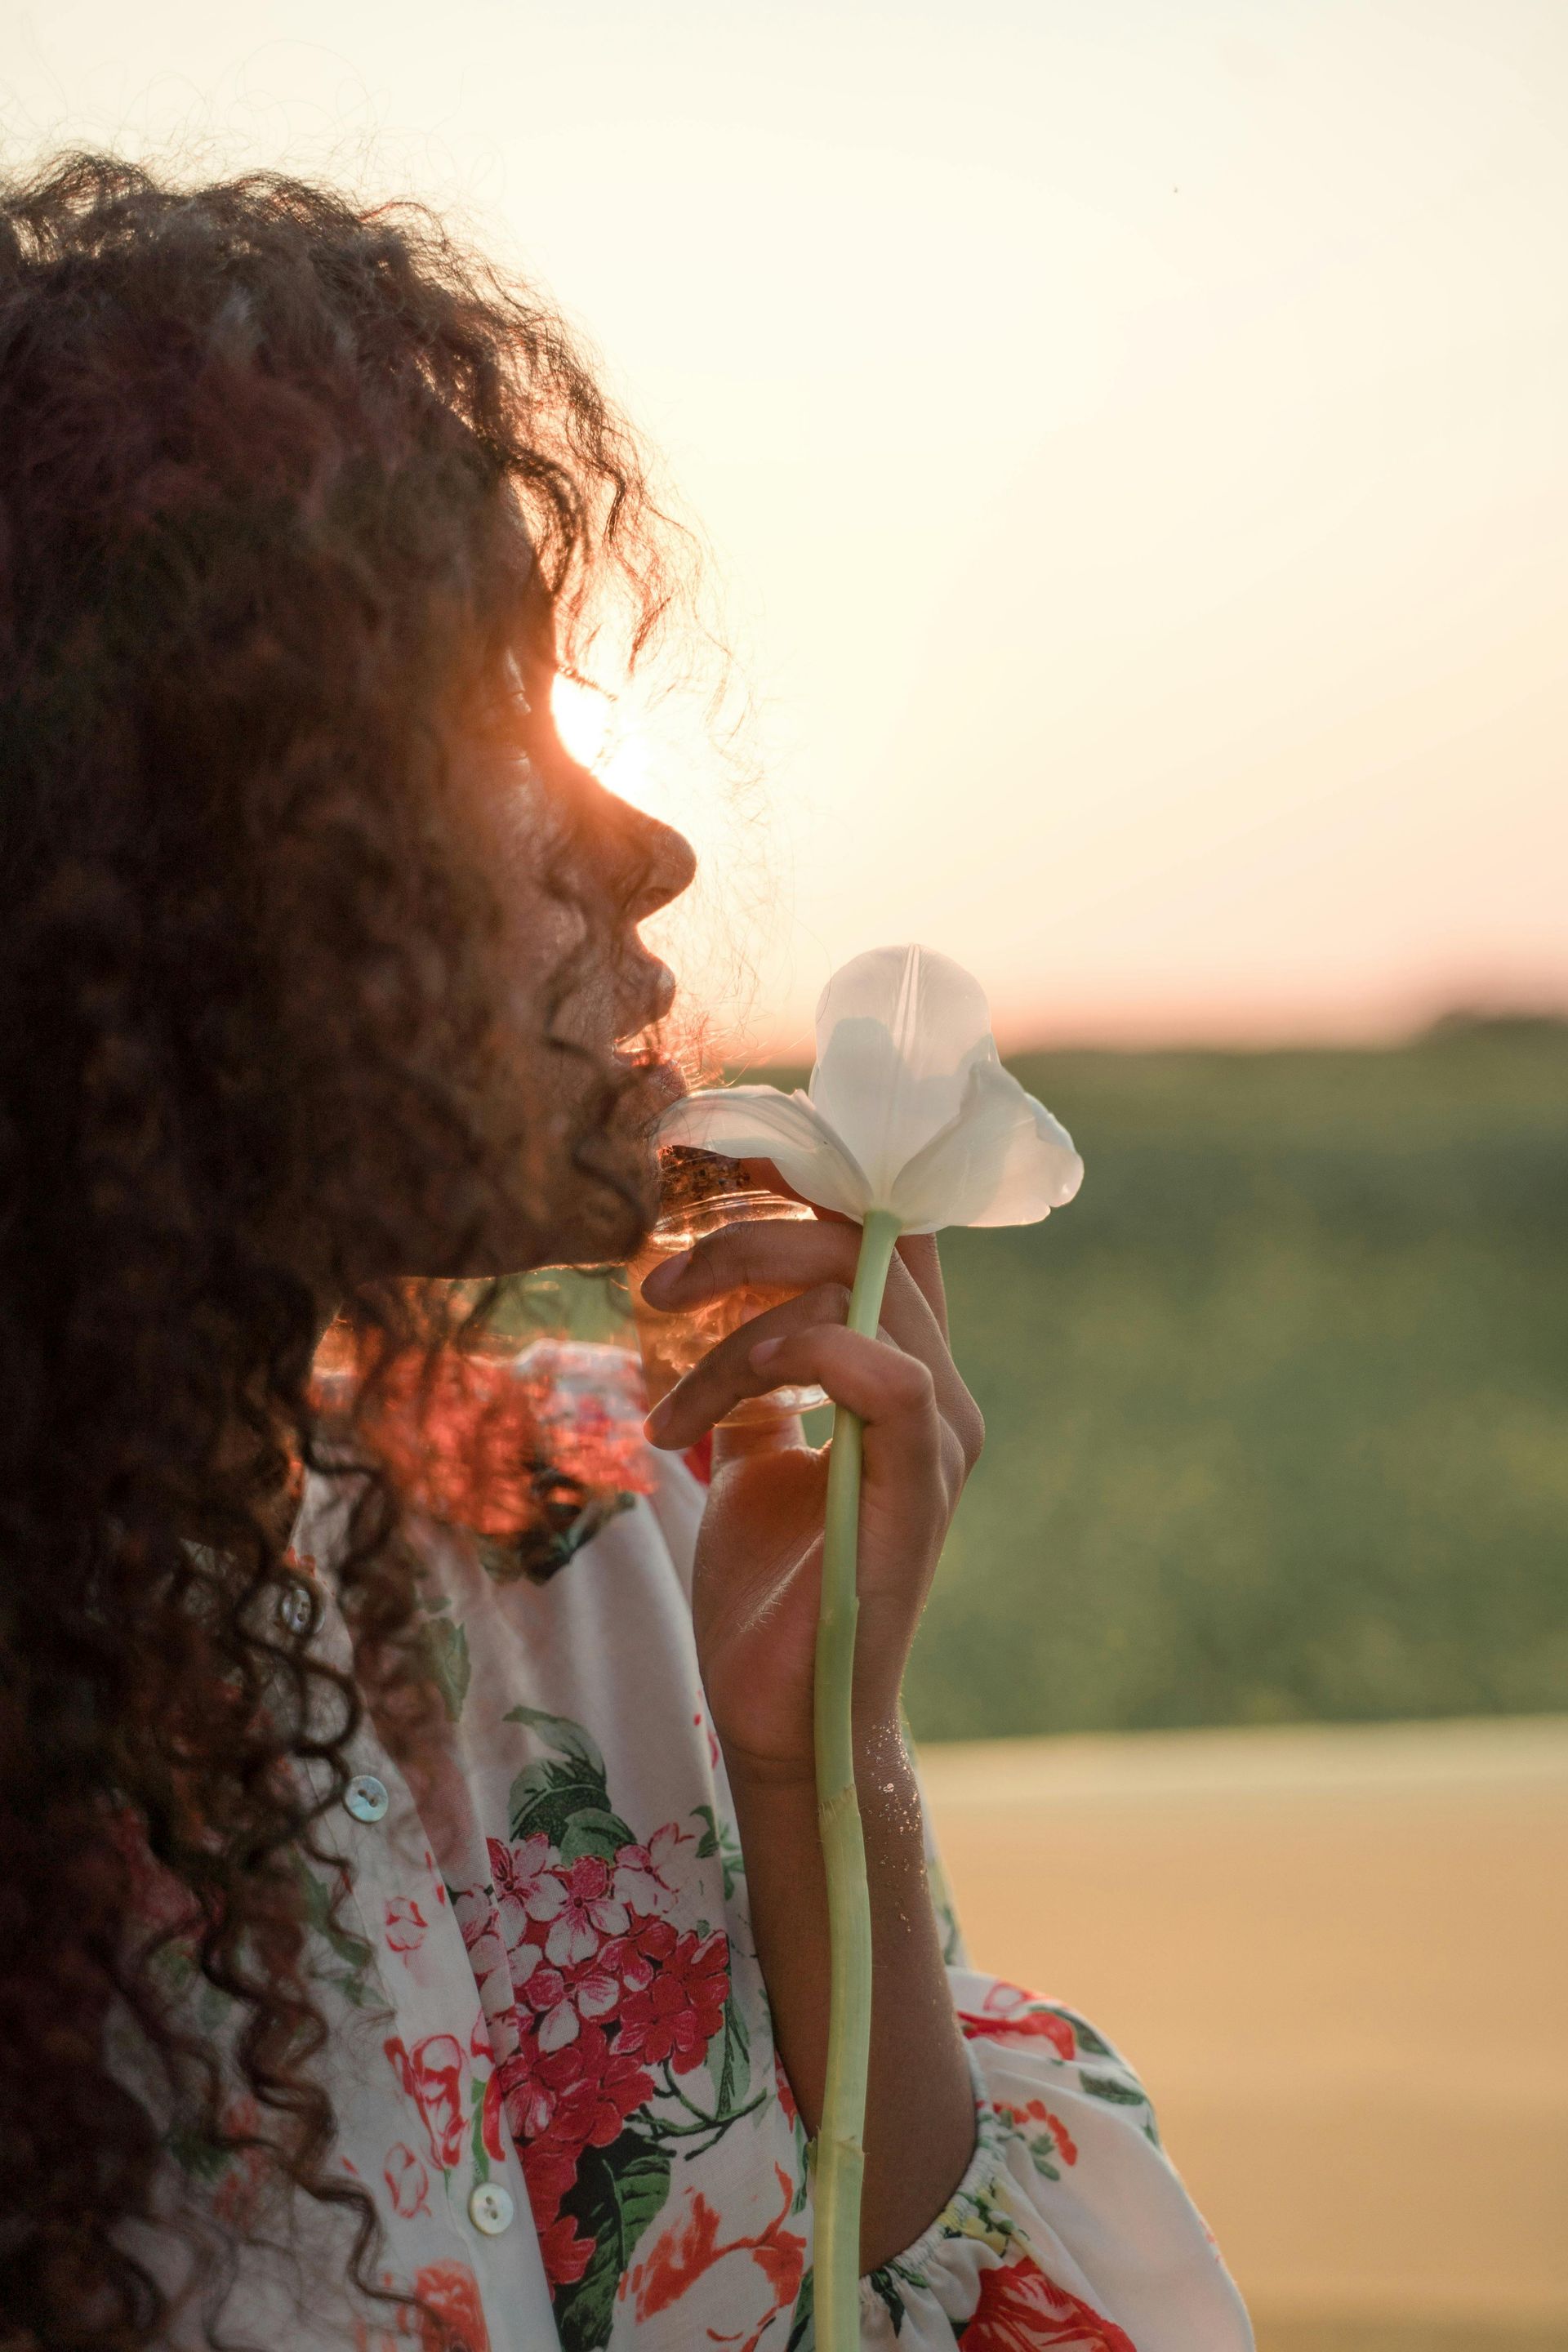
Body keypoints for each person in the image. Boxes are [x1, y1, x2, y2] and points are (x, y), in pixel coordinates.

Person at [0, 154, 1253, 2352]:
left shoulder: (590, 1525)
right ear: (142, 856)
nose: (640, 838)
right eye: (470, 707)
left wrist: (812, 1778)